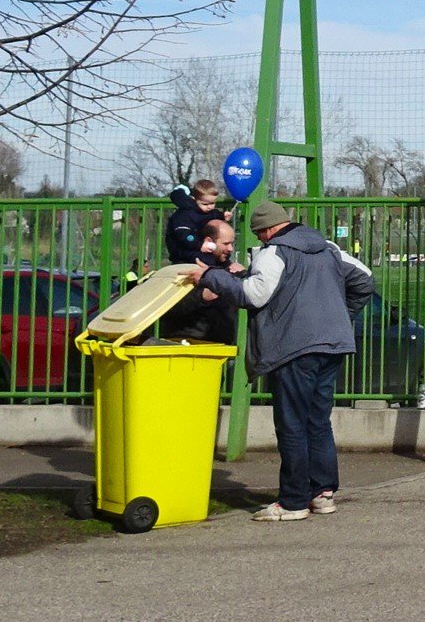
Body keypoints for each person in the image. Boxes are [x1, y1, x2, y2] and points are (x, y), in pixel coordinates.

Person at [186, 196, 376, 523]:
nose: (261, 239)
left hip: (293, 349)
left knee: (292, 424)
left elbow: (253, 295)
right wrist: (341, 316)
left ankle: (293, 501)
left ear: (267, 230)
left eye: (259, 234)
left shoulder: (274, 252)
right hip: (332, 344)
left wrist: (211, 277)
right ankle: (323, 494)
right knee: (318, 421)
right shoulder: (328, 247)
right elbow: (365, 279)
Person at [156, 180, 237, 344]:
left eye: (212, 204)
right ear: (194, 200)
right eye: (226, 244)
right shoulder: (184, 215)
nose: (209, 207)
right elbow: (183, 236)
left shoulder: (208, 213)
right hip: (187, 251)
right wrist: (199, 245)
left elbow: (213, 215)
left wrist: (223, 216)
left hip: (218, 337)